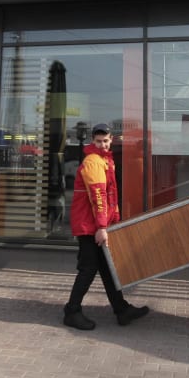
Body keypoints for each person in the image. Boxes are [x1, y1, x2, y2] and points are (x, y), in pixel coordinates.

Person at [63, 122, 149, 330]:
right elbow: (98, 196)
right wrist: (102, 227)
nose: (102, 144)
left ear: (112, 140)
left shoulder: (106, 160)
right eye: (98, 141)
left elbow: (111, 196)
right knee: (88, 268)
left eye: (105, 140)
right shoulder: (93, 161)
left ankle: (121, 309)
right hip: (89, 226)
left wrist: (113, 222)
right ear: (93, 141)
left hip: (99, 225)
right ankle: (71, 311)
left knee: (108, 269)